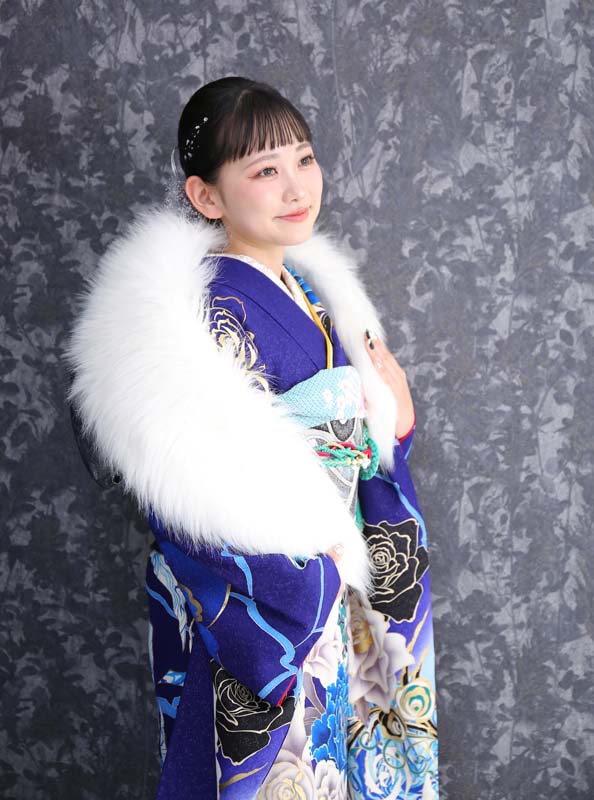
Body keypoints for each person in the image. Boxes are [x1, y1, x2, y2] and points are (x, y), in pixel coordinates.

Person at [64, 76, 438, 799]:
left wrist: (395, 424)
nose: (296, 187)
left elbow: (350, 454)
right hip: (267, 599)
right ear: (207, 196)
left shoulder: (311, 291)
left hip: (328, 589)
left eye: (304, 159)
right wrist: (305, 575)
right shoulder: (208, 312)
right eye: (265, 170)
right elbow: (189, 493)